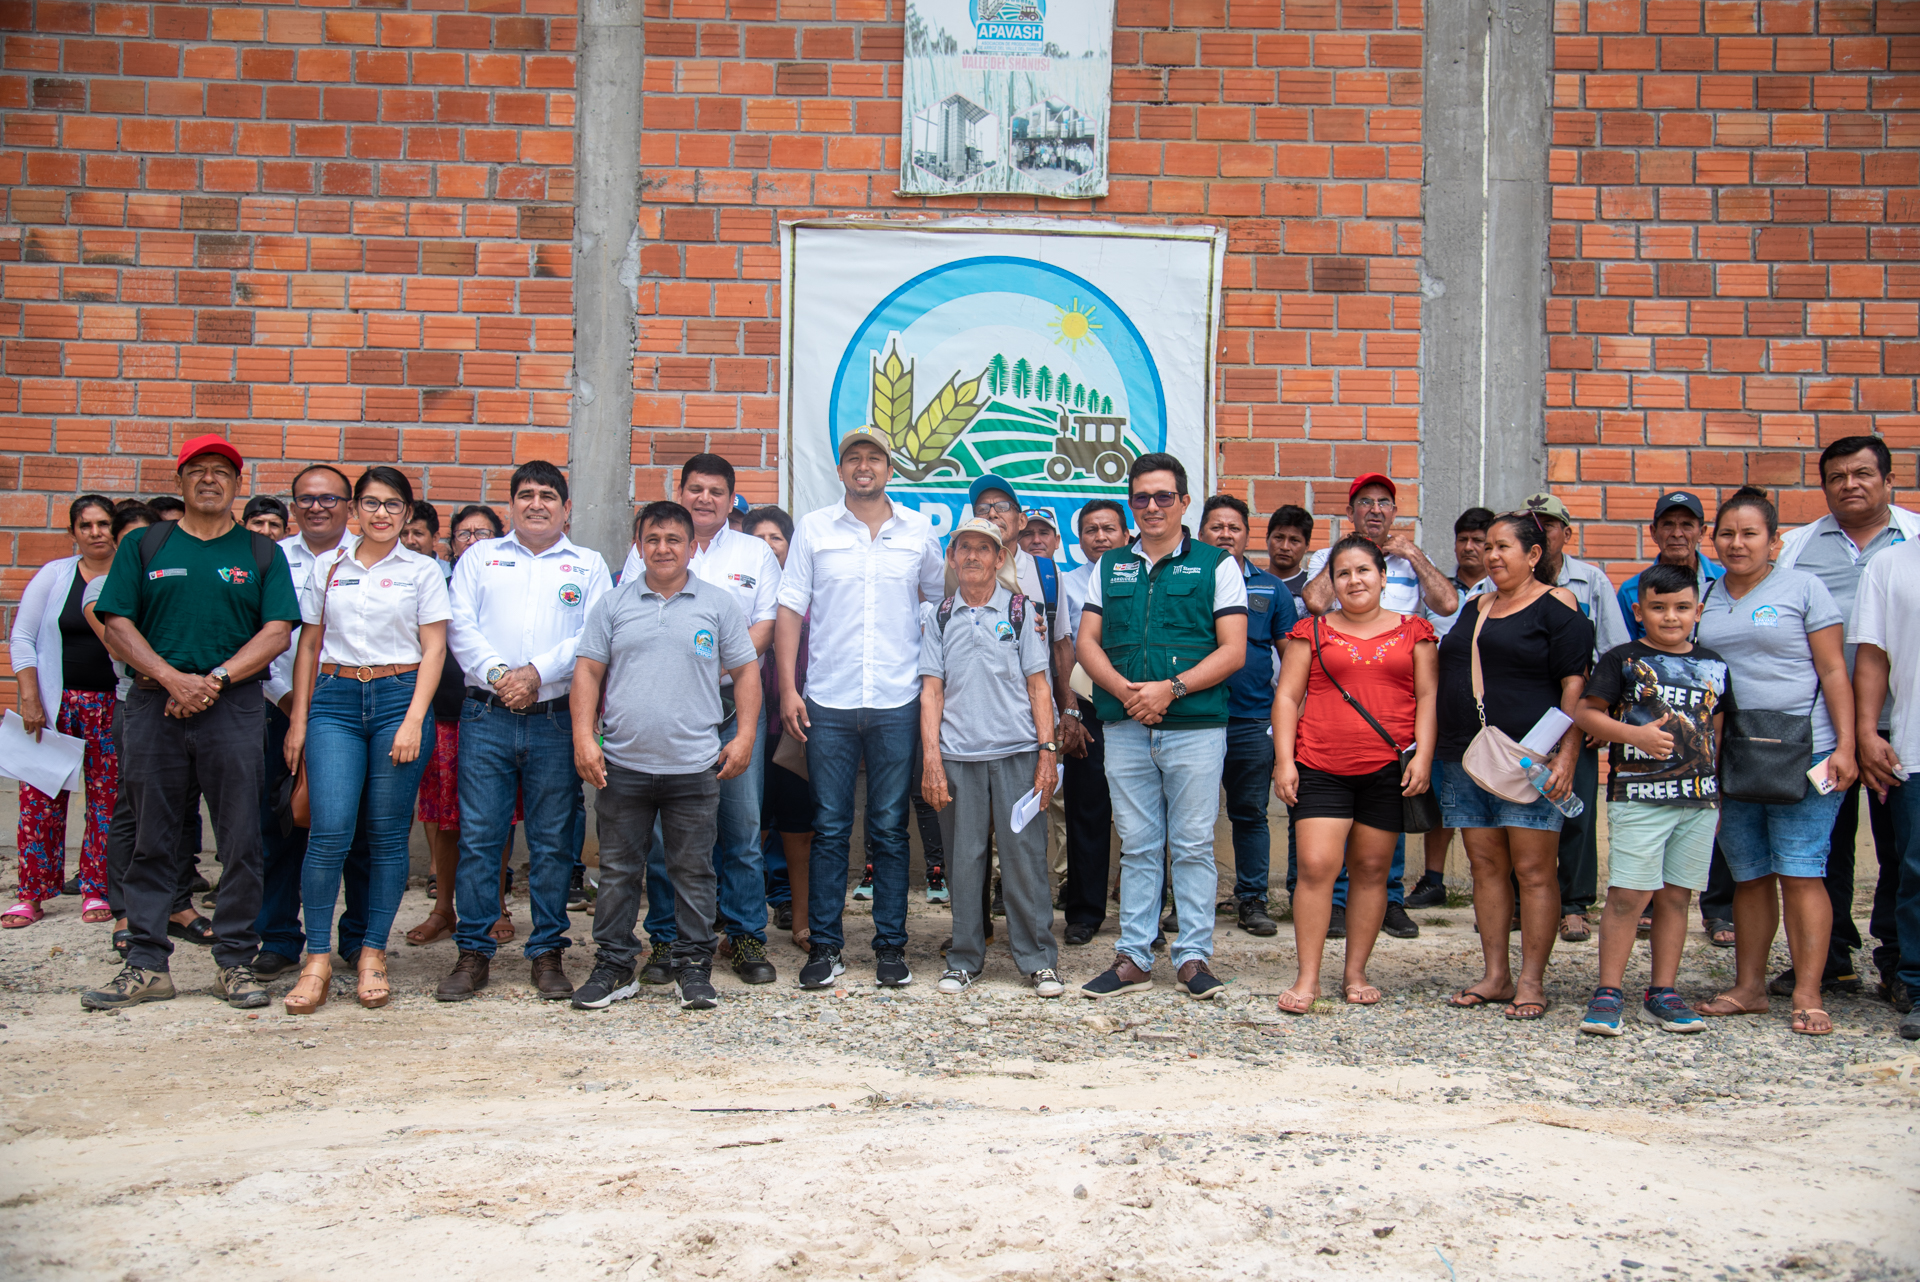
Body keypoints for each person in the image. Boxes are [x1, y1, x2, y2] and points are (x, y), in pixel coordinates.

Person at [84, 435, 301, 1011]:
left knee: (240, 841)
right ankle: (147, 963)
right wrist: (173, 678)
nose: (210, 479)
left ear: (237, 485)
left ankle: (234, 961)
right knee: (152, 840)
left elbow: (277, 631)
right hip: (154, 707)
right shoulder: (145, 545)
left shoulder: (260, 552)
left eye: (222, 472)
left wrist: (213, 681)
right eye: (198, 470)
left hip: (232, 709)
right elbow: (117, 624)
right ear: (179, 482)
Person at [571, 501, 761, 1012]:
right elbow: (587, 671)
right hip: (625, 768)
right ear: (638, 546)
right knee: (617, 871)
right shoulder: (612, 605)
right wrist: (584, 739)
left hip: (694, 766)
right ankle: (614, 965)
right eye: (653, 539)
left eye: (673, 539)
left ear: (691, 546)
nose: (663, 548)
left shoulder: (718, 605)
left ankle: (692, 967)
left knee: (693, 871)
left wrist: (743, 737)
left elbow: (746, 672)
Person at [774, 429, 945, 989]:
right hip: (828, 701)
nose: (864, 466)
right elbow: (791, 611)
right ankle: (825, 948)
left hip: (898, 700)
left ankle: (890, 949)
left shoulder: (917, 532)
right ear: (841, 470)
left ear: (889, 470)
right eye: (854, 459)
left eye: (874, 458)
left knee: (891, 830)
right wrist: (788, 689)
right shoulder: (816, 531)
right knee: (828, 827)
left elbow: (937, 605)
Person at [436, 461, 611, 1003]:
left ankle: (548, 952)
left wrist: (535, 674)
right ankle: (473, 951)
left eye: (548, 496)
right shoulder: (481, 559)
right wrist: (499, 676)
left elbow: (595, 634)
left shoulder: (588, 565)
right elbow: (457, 625)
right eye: (527, 495)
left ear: (567, 507)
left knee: (553, 842)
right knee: (481, 839)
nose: (537, 504)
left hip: (556, 719)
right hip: (486, 716)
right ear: (511, 503)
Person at [1075, 453, 1247, 1000]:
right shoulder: (1111, 566)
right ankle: (1133, 957)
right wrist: (1128, 693)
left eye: (1163, 497)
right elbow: (1087, 644)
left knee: (1194, 843)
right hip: (1125, 725)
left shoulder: (1216, 565)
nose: (1152, 507)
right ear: (1132, 505)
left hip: (1194, 726)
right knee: (1139, 844)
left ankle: (1193, 958)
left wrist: (1169, 690)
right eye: (1141, 498)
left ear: (1184, 502)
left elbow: (1234, 650)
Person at [279, 467, 450, 1013]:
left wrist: (414, 720)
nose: (381, 514)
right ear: (355, 509)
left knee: (385, 835)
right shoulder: (329, 567)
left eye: (393, 505)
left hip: (400, 698)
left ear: (407, 513)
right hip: (335, 699)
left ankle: (373, 953)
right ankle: (318, 959)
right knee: (329, 830)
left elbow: (435, 651)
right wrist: (299, 721)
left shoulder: (423, 571)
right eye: (371, 504)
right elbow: (308, 647)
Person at [1693, 487, 1856, 1036]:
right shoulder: (1707, 597)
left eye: (1750, 533)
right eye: (1728, 534)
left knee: (1802, 870)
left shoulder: (1803, 588)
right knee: (1751, 875)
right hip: (1735, 754)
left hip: (1806, 749)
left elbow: (1834, 671)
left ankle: (1808, 991)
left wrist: (1848, 746)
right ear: (1713, 540)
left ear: (1775, 541)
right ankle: (1750, 987)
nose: (1737, 544)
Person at [619, 455, 783, 987]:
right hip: (669, 712)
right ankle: (667, 939)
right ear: (681, 491)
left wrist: (720, 662)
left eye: (716, 490)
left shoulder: (754, 553)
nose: (704, 498)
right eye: (695, 488)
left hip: (734, 706)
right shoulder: (648, 550)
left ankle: (744, 936)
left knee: (741, 827)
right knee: (670, 838)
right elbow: (628, 617)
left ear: (732, 499)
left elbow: (767, 621)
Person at [1270, 535, 1437, 1013]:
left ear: (1384, 577)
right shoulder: (1311, 632)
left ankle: (1355, 971)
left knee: (1370, 871)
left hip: (1388, 769)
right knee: (1317, 867)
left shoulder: (1416, 631)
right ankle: (1307, 978)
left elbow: (1427, 697)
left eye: (1364, 570)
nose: (1354, 580)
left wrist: (1422, 755)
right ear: (1332, 581)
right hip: (1320, 764)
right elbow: (1286, 698)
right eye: (1343, 573)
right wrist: (1285, 760)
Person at [1777, 436, 1917, 999]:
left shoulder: (1911, 542)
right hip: (1822, 724)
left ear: (1887, 480)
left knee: (1903, 846)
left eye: (1862, 474)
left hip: (1898, 721)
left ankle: (1900, 961)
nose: (1850, 485)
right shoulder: (1797, 547)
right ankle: (1829, 959)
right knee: (1822, 843)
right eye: (1837, 477)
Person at [1435, 513, 1591, 1020]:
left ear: (1533, 555)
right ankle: (1496, 974)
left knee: (1534, 870)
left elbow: (1576, 688)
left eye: (1505, 547)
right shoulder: (1475, 606)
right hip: (1469, 757)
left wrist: (1567, 755)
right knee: (1486, 868)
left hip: (1530, 762)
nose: (1494, 555)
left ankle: (1531, 980)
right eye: (1489, 547)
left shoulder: (1557, 606)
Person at [1574, 563, 1726, 1036]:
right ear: (1639, 611)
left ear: (1698, 611)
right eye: (1658, 608)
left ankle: (1662, 991)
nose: (1670, 617)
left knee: (1676, 896)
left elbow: (1715, 728)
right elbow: (1585, 712)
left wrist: (1711, 777)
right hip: (1639, 797)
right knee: (1628, 896)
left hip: (1698, 801)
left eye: (1682, 607)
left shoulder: (1715, 665)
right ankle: (1608, 991)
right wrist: (1633, 735)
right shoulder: (1621, 658)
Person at [920, 517, 1062, 996]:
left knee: (1023, 860)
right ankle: (964, 957)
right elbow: (931, 693)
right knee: (964, 861)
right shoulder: (938, 615)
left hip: (1018, 754)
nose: (974, 557)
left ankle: (1038, 959)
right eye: (965, 548)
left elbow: (1040, 687)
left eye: (985, 548)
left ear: (1000, 558)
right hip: (958, 757)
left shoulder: (1022, 610)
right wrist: (932, 761)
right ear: (953, 556)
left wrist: (1047, 754)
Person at [253, 464, 374, 981]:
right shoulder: (271, 558)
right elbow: (263, 637)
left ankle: (357, 938)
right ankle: (279, 935)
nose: (317, 507)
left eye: (329, 499)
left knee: (362, 829)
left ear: (348, 505)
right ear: (293, 506)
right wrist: (289, 702)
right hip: (278, 707)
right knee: (282, 824)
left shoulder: (368, 553)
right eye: (306, 499)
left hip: (354, 711)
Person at [1611, 490, 1735, 945]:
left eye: (1688, 524)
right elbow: (1630, 660)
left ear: (1702, 531)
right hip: (1649, 740)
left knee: (1704, 823)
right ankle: (1644, 908)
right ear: (1654, 532)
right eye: (1669, 524)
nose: (1678, 532)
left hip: (1708, 711)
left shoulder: (1722, 581)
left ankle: (1720, 909)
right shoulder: (1632, 589)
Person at [1512, 492, 1631, 945]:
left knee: (1574, 805)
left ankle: (1575, 904)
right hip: (1520, 717)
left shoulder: (1591, 580)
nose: (1542, 533)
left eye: (1550, 525)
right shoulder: (1500, 579)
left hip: (1575, 711)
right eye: (1533, 526)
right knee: (1516, 810)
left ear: (1566, 533)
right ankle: (1521, 902)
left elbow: (1613, 653)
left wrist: (1602, 712)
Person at [6, 495, 121, 929]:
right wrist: (30, 696)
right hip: (56, 705)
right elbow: (23, 639)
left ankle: (96, 889)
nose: (96, 533)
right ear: (73, 532)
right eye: (86, 525)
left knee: (107, 803)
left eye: (104, 524)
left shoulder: (130, 576)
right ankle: (32, 895)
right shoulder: (55, 575)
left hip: (113, 706)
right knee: (39, 801)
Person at [405, 503, 516, 948]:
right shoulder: (437, 584)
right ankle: (443, 909)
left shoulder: (506, 583)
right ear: (450, 544)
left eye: (483, 533)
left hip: (494, 711)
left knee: (497, 819)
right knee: (447, 820)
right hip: (445, 716)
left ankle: (497, 905)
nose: (474, 541)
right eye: (464, 534)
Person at [1198, 494, 1295, 937]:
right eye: (1216, 527)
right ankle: (1188, 902)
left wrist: (1287, 720)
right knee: (1189, 818)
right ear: (1201, 534)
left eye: (1233, 527)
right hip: (1195, 718)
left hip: (1251, 722)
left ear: (1246, 535)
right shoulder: (1188, 581)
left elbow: (1291, 659)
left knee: (1250, 813)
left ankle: (1252, 900)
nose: (1224, 534)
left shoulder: (1271, 588)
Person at [1406, 507, 1499, 910]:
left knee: (1492, 792)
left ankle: (1495, 883)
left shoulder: (1504, 589)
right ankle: (1433, 878)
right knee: (1440, 791)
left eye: (1480, 541)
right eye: (1464, 539)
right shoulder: (1435, 585)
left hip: (1490, 709)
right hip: (1440, 706)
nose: (1470, 547)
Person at [1850, 524, 1920, 1036]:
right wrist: (1868, 731)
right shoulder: (1892, 564)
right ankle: (1915, 985)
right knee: (1916, 871)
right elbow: (1872, 658)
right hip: (1914, 746)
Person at [1054, 499, 1129, 946]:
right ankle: (1084, 912)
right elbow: (1063, 649)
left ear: (1126, 534)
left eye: (1109, 529)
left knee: (1144, 819)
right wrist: (1071, 712)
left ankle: (1144, 918)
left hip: (1140, 707)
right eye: (1090, 530)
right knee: (1086, 813)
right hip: (1088, 710)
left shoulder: (1141, 577)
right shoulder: (1066, 584)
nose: (1100, 537)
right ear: (1078, 539)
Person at [745, 506, 816, 946]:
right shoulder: (743, 599)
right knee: (747, 832)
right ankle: (743, 922)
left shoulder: (806, 600)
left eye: (776, 538)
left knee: (799, 832)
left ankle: (802, 921)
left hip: (795, 730)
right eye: (758, 538)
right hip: (748, 730)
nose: (768, 546)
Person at [1265, 505, 1313, 620]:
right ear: (1267, 538)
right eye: (1279, 538)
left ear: (1307, 546)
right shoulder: (1251, 581)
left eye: (1294, 540)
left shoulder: (1311, 586)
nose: (1285, 547)